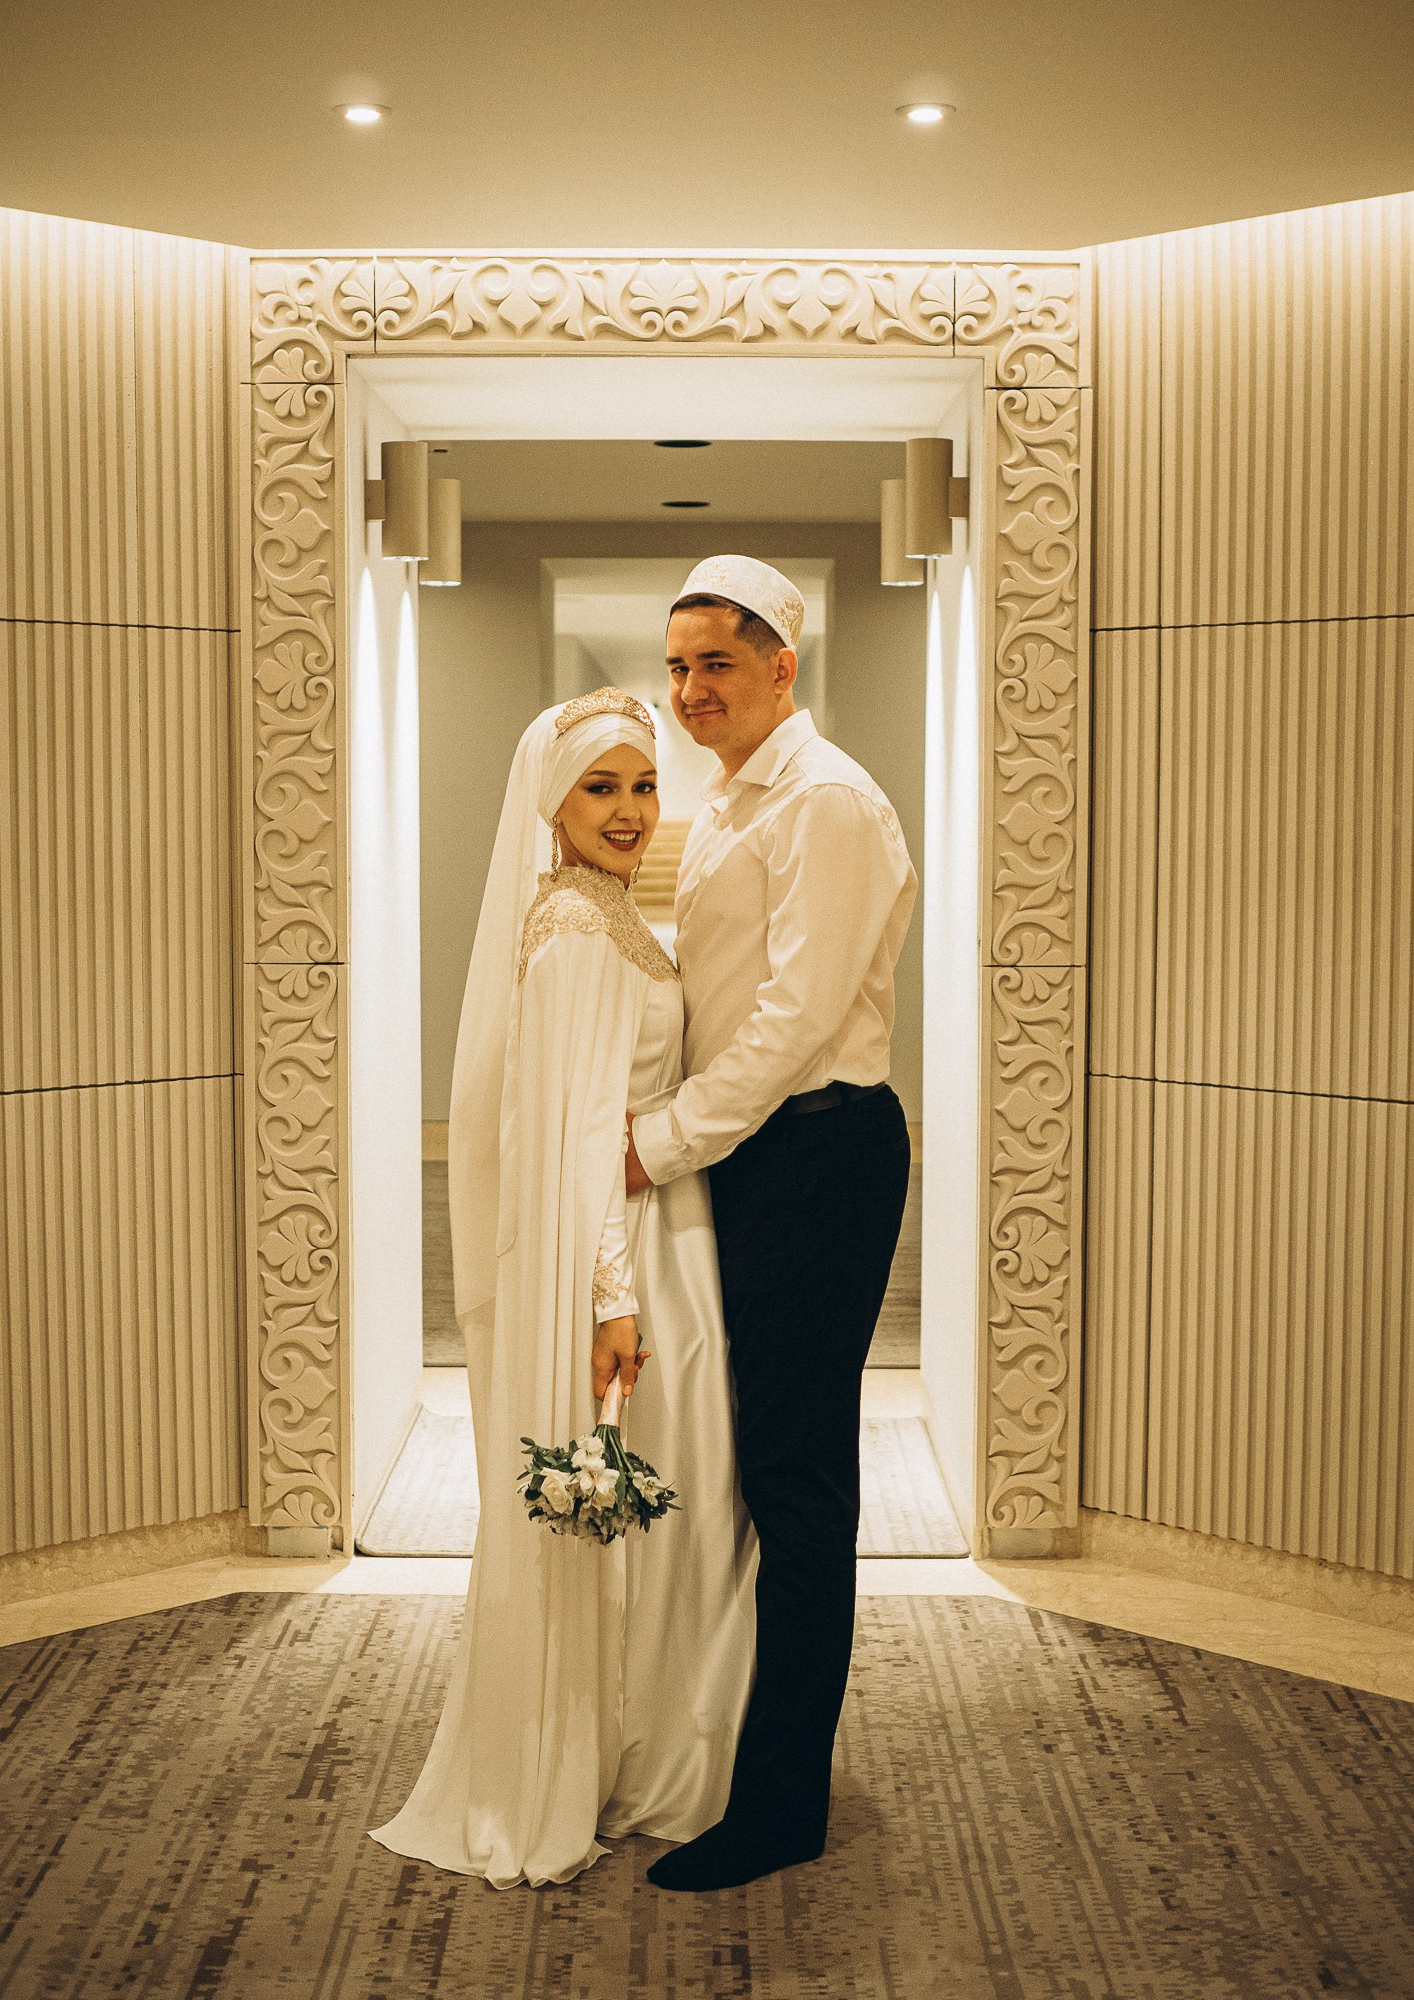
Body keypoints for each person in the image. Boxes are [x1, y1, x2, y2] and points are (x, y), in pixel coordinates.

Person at [367, 686, 757, 1890]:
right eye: (601, 787)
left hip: (665, 1237)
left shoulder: (602, 908)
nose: (630, 808)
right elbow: (578, 1135)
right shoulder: (578, 927)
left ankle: (646, 1749)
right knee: (662, 1508)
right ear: (554, 799)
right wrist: (611, 1299)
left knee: (679, 1509)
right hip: (635, 1256)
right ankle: (626, 1759)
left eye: (643, 784)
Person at [628, 555, 918, 1893]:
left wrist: (666, 1138)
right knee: (744, 1463)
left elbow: (795, 1017)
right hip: (754, 1154)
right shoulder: (733, 797)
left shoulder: (828, 800)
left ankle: (782, 1805)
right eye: (678, 666)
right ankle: (723, 1756)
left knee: (798, 1484)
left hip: (819, 1151)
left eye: (717, 664)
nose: (691, 690)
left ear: (780, 667)